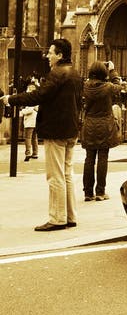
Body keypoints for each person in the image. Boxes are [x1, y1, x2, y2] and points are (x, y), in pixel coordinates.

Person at [1, 37, 82, 231]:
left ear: (60, 55)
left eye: (51, 52)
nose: (47, 56)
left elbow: (38, 96)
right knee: (67, 174)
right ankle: (70, 215)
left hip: (56, 130)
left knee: (55, 176)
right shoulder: (75, 73)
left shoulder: (56, 74)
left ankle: (57, 218)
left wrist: (11, 99)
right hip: (71, 130)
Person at [80, 61, 121, 201]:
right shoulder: (108, 87)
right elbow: (119, 86)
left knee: (89, 159)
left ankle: (87, 192)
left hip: (90, 123)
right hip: (104, 124)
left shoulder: (85, 86)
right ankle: (100, 191)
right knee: (103, 158)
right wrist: (113, 71)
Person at [21, 81, 39, 161]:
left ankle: (28, 153)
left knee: (28, 138)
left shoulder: (31, 98)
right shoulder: (37, 97)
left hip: (29, 121)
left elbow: (30, 109)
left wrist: (21, 112)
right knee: (34, 138)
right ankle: (35, 153)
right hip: (35, 121)